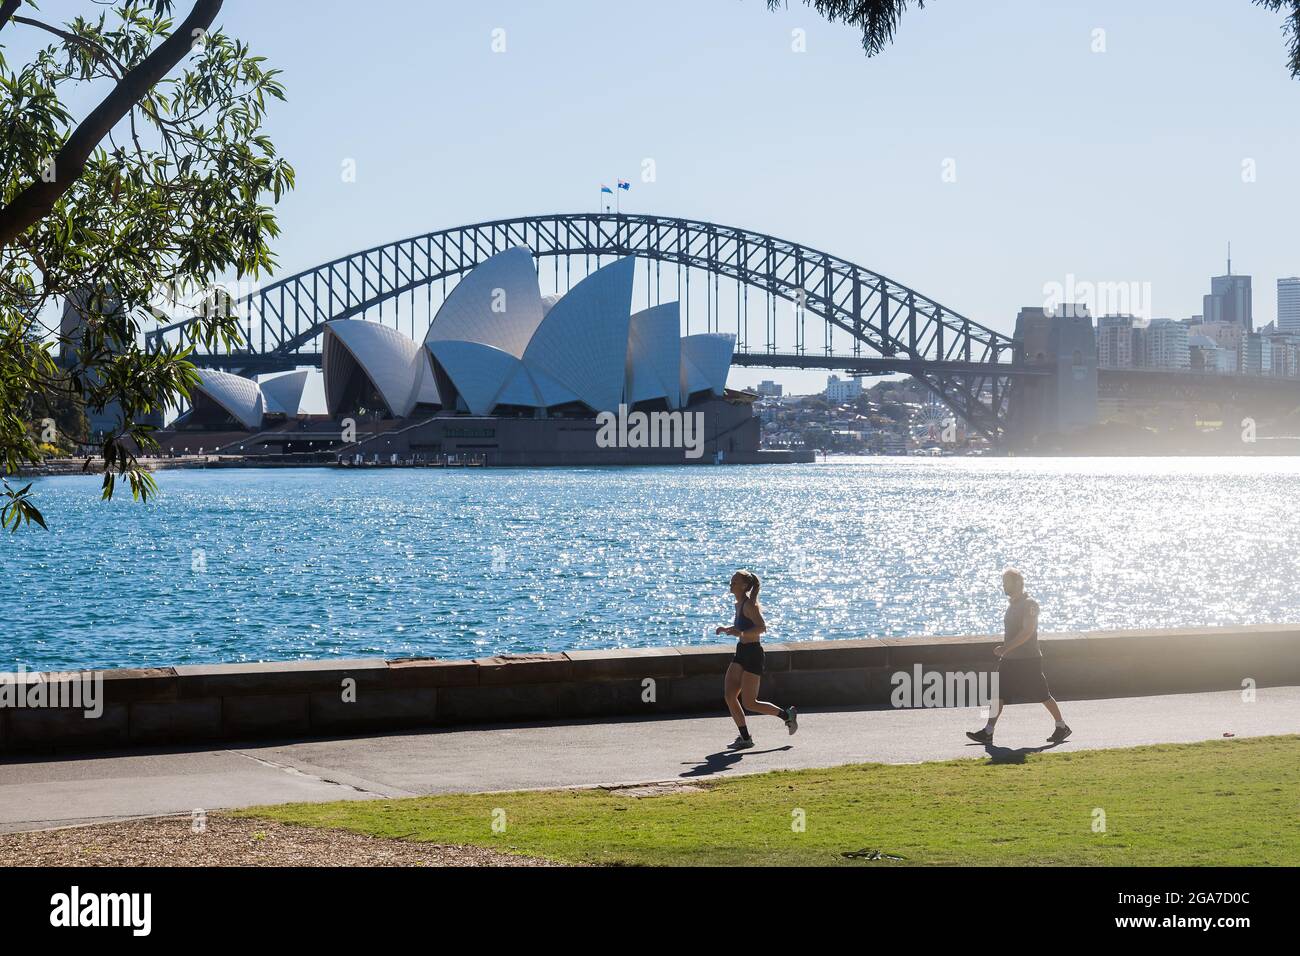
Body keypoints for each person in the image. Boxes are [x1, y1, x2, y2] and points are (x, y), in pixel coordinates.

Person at [966, 568, 1072, 745]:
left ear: (1017, 583)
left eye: (1007, 582)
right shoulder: (1012, 605)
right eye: (1003, 582)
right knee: (997, 693)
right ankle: (988, 731)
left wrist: (1006, 648)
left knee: (1042, 694)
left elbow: (1028, 631)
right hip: (1010, 660)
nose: (1004, 586)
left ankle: (1061, 726)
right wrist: (1007, 651)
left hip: (1028, 660)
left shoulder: (1030, 604)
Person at [716, 569, 798, 749]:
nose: (731, 584)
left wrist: (741, 633)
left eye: (734, 581)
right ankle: (745, 737)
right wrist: (728, 629)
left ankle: (787, 715)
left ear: (744, 586)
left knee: (750, 703)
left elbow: (761, 627)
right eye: (731, 581)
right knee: (730, 695)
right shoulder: (738, 605)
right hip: (741, 651)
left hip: (753, 654)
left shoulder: (749, 605)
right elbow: (742, 627)